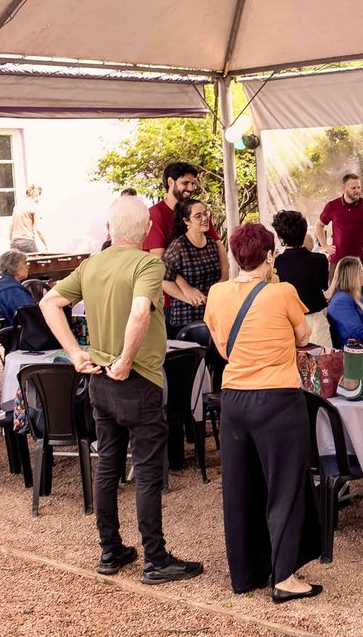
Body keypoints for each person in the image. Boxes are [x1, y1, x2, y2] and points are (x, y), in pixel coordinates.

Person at [39, 196, 202, 585]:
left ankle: (110, 549)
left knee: (108, 465)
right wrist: (127, 359)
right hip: (137, 379)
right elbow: (140, 311)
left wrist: (75, 353)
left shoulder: (92, 264)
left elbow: (49, 302)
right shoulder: (147, 263)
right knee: (146, 471)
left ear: (110, 229)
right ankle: (155, 559)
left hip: (99, 378)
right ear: (147, 229)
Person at [204, 223, 323, 602]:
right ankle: (284, 576)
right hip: (278, 399)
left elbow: (223, 347)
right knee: (285, 486)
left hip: (234, 398)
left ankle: (245, 574)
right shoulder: (282, 292)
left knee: (239, 487)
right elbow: (304, 336)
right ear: (270, 255)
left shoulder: (217, 293)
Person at [143, 162, 228, 322]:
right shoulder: (156, 214)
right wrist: (186, 289)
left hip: (208, 301)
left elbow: (219, 246)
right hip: (172, 303)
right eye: (185, 183)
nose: (190, 188)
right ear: (170, 182)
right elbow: (160, 262)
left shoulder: (197, 211)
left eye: (193, 183)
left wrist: (222, 282)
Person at [161, 200, 224, 337]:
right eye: (198, 216)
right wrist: (186, 297)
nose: (205, 218)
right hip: (186, 321)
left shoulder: (211, 244)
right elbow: (162, 279)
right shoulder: (178, 247)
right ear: (187, 221)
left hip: (211, 316)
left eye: (206, 214)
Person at [272, 210, 331, 348]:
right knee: (323, 360)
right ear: (304, 233)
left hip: (288, 326)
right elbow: (324, 286)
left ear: (281, 238)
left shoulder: (276, 264)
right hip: (315, 322)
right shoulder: (320, 260)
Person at [325, 257, 363, 362]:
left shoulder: (357, 297)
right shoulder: (341, 300)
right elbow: (356, 332)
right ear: (353, 275)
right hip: (353, 352)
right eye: (362, 271)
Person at [315, 173, 363, 268]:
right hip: (337, 261)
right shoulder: (332, 206)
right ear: (343, 188)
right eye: (353, 188)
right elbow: (319, 225)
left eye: (359, 187)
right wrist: (324, 246)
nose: (357, 191)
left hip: (361, 262)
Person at [0, 249, 37, 324]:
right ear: (14, 266)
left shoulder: (0, 282)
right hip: (18, 329)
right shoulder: (13, 290)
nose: (28, 267)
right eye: (24, 263)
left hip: (9, 327)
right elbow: (31, 317)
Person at [9, 185, 48, 253]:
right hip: (27, 242)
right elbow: (38, 229)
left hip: (15, 242)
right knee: (37, 259)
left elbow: (11, 226)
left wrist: (11, 242)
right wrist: (46, 245)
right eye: (39, 195)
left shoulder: (17, 207)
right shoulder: (34, 207)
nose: (40, 198)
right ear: (35, 194)